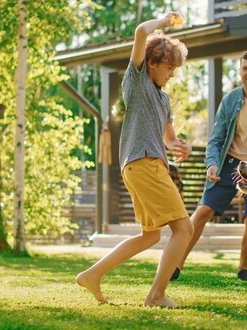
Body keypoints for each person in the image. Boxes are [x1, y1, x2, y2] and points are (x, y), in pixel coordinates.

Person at [76, 13, 193, 308]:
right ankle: (156, 295)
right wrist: (165, 21)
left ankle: (92, 274)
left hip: (143, 164)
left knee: (150, 235)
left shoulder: (164, 100)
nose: (172, 74)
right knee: (184, 229)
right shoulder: (137, 81)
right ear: (152, 63)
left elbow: (169, 138)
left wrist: (180, 147)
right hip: (144, 163)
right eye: (169, 67)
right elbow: (141, 31)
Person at [171, 50, 247, 281]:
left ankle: (243, 268)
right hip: (229, 163)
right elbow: (215, 139)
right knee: (203, 212)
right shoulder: (230, 100)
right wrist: (212, 164)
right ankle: (175, 265)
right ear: (240, 72)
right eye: (245, 69)